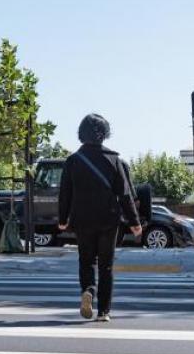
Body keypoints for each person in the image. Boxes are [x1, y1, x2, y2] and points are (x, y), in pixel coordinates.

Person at [58, 114, 142, 322]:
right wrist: (135, 222)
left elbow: (65, 193)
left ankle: (88, 291)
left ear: (81, 133)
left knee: (86, 261)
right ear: (104, 134)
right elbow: (124, 194)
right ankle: (104, 311)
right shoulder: (114, 160)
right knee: (106, 265)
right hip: (108, 219)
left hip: (82, 219)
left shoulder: (73, 161)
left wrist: (62, 219)